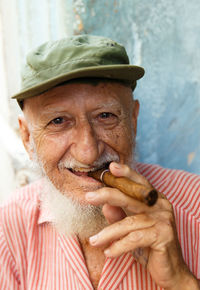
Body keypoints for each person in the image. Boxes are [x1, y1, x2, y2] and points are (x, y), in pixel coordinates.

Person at [0, 35, 199, 290]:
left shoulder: (196, 205)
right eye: (58, 121)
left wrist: (181, 282)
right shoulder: (10, 226)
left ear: (133, 121)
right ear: (27, 138)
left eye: (105, 116)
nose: (88, 153)